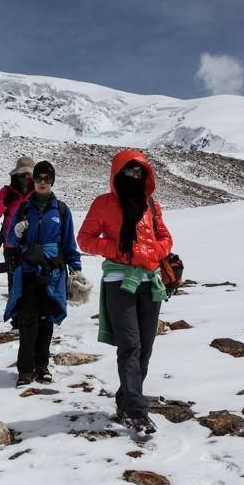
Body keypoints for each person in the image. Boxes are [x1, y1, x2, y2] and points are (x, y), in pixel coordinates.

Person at [77, 149, 173, 435]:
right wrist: (119, 250)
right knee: (130, 345)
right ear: (118, 173)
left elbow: (165, 237)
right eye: (130, 171)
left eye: (140, 171)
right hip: (120, 281)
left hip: (150, 282)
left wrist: (152, 251)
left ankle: (126, 399)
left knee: (145, 347)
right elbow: (85, 239)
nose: (135, 176)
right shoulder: (104, 204)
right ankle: (135, 411)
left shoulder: (151, 206)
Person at [4, 160, 81, 387]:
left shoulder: (62, 210)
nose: (42, 182)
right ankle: (25, 371)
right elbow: (10, 240)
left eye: (47, 178)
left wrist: (76, 270)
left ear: (52, 181)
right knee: (28, 320)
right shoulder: (24, 208)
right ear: (33, 180)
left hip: (53, 272)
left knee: (47, 320)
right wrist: (16, 233)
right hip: (28, 269)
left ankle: (42, 367)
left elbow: (69, 243)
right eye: (39, 178)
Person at [0, 156, 35, 293]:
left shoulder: (39, 192)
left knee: (33, 287)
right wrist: (4, 203)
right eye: (24, 174)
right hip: (11, 246)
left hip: (34, 246)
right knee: (15, 288)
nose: (27, 178)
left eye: (30, 174)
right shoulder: (7, 192)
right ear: (16, 175)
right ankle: (16, 313)